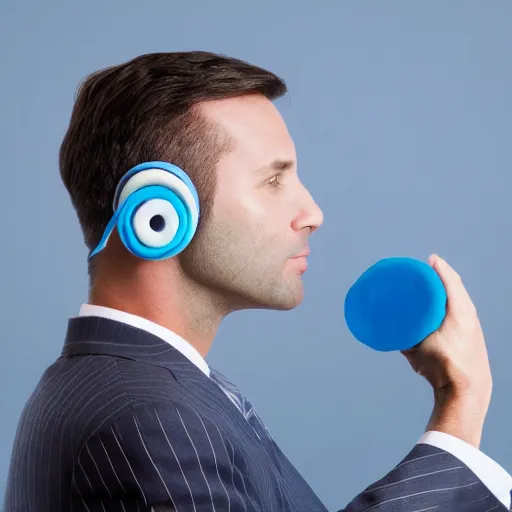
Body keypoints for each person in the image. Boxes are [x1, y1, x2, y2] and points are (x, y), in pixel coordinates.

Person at [4, 51, 511, 512]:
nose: (313, 213)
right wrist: (461, 411)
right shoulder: (150, 419)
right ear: (158, 216)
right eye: (273, 180)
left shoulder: (141, 388)